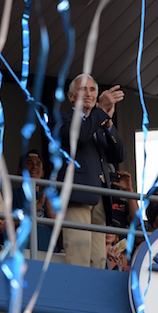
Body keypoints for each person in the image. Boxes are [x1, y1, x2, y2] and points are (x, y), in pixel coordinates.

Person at [59, 73, 126, 268]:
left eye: (92, 89)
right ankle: (75, 296)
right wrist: (100, 112)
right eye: (82, 89)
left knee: (98, 258)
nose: (88, 93)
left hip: (100, 197)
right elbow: (79, 135)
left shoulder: (99, 123)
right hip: (78, 195)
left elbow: (119, 155)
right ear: (71, 97)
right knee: (78, 254)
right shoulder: (62, 118)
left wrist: (109, 125)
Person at [12, 149, 56, 252]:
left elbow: (60, 228)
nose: (34, 167)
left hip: (47, 251)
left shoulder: (48, 197)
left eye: (38, 164)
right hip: (21, 250)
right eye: (29, 163)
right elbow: (8, 223)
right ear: (20, 170)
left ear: (43, 172)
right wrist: (39, 204)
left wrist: (48, 203)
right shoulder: (12, 193)